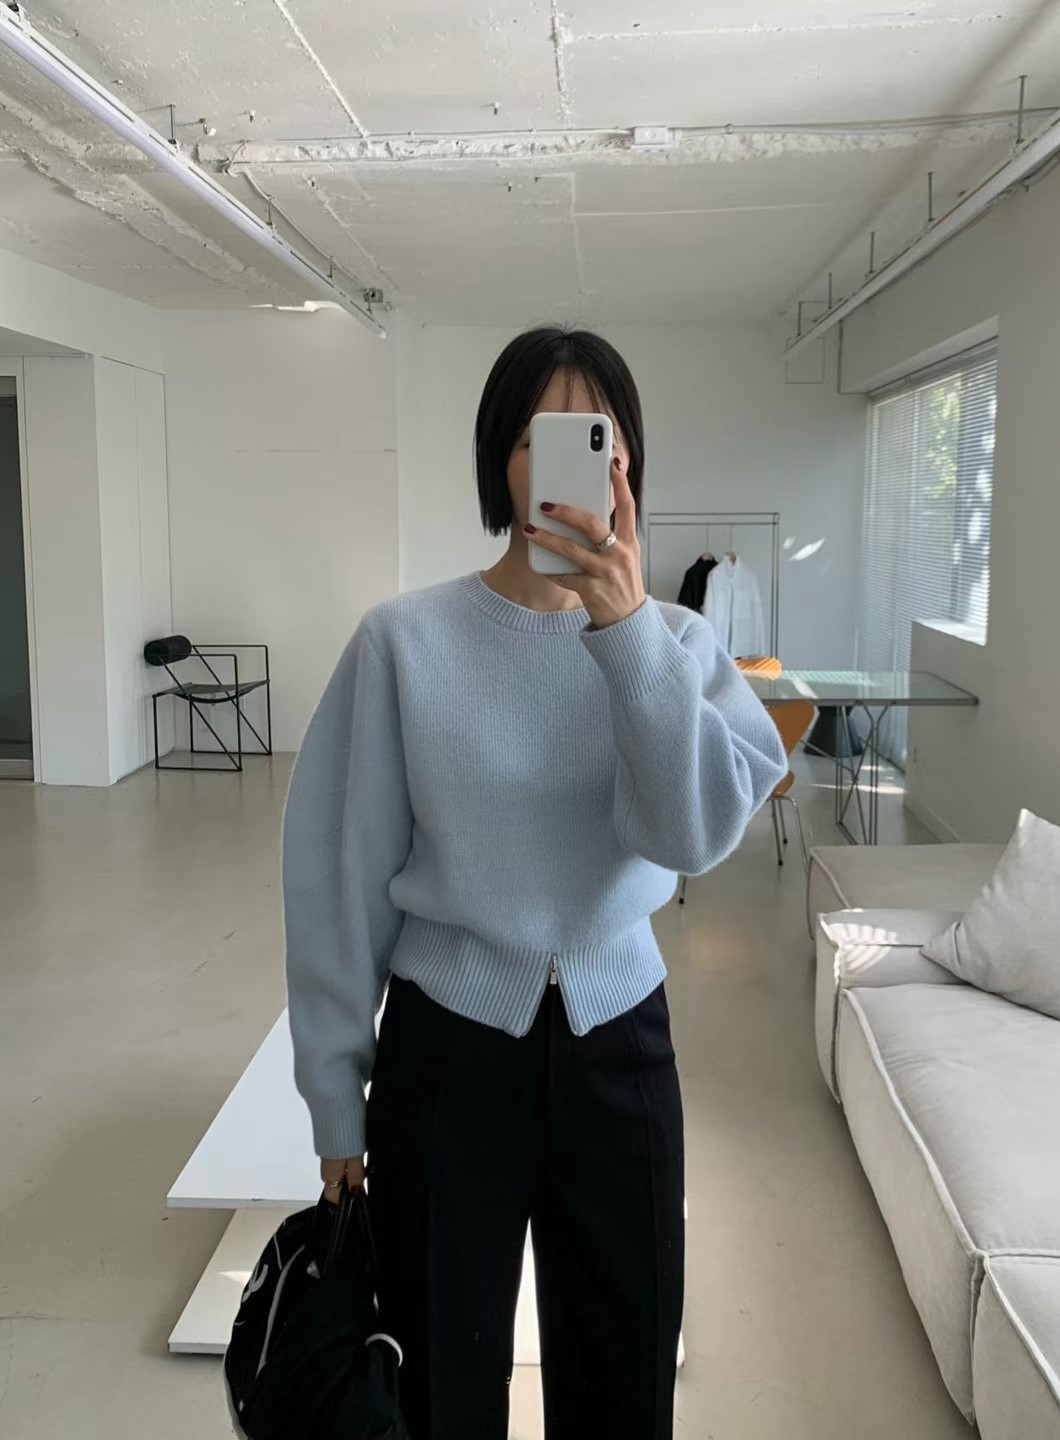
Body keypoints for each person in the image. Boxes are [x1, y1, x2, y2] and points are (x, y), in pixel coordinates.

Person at [282, 326, 787, 1440]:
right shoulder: (403, 642)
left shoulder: (678, 644)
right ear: (498, 463)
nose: (563, 462)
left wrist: (627, 630)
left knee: (624, 1386)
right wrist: (333, 1095)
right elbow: (338, 878)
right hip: (444, 1057)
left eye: (591, 436)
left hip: (623, 1051)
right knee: (436, 1389)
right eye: (533, 437)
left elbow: (693, 836)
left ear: (627, 460)